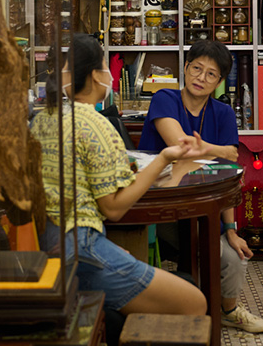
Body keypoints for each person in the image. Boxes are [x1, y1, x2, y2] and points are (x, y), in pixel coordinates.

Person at [30, 34, 206, 317]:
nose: (111, 75)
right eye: (105, 66)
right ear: (94, 76)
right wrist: (163, 159)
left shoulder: (42, 119)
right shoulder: (94, 124)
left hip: (49, 244)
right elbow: (113, 207)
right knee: (194, 303)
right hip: (79, 248)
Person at [137, 40, 263, 334]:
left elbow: (230, 166)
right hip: (157, 208)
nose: (201, 78)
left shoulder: (222, 113)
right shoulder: (164, 98)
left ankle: (229, 310)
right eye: (196, 68)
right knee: (194, 245)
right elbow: (180, 146)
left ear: (220, 82)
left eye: (211, 74)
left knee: (234, 254)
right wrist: (218, 151)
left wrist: (231, 230)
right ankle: (185, 302)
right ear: (185, 68)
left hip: (205, 207)